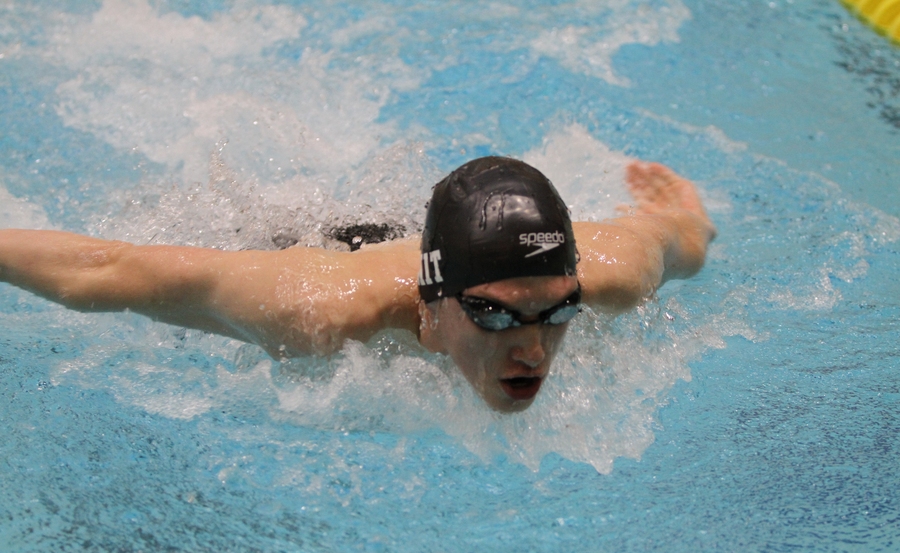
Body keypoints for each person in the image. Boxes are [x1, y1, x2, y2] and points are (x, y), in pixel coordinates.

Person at [0, 157, 715, 412]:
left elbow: (682, 234)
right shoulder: (315, 311)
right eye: (495, 318)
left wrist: (678, 209)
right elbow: (111, 271)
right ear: (434, 308)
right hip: (314, 247)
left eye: (556, 311)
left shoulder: (612, 275)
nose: (534, 349)